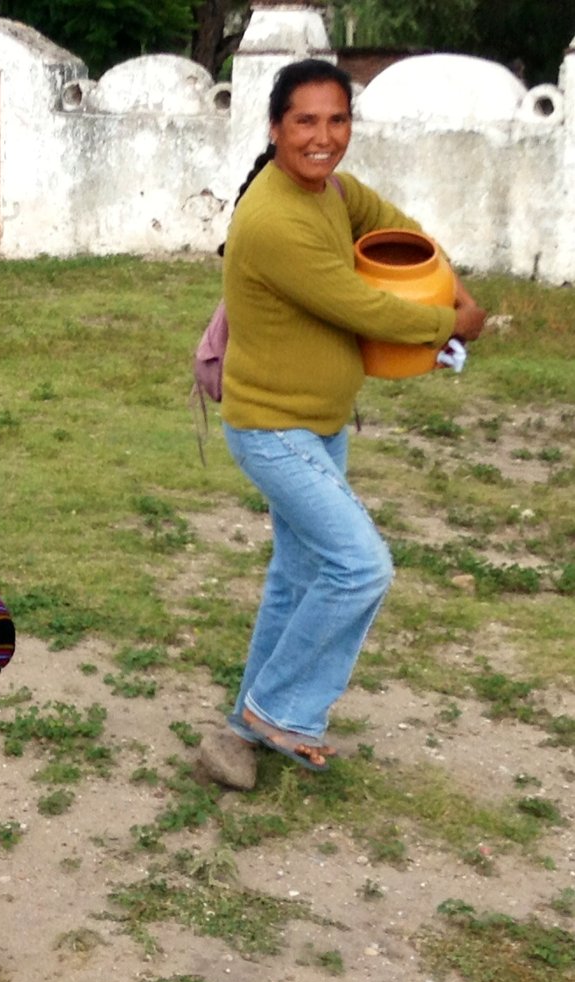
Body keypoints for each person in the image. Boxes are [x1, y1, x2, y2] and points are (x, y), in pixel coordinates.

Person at [197, 59, 486, 787]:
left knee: (297, 579)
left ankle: (243, 733)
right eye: (305, 121)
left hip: (316, 423)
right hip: (272, 429)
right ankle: (278, 710)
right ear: (274, 127)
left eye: (336, 120)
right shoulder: (273, 221)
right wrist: (449, 322)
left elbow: (398, 228)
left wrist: (453, 286)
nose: (322, 136)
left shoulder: (331, 192)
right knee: (360, 567)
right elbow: (361, 307)